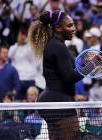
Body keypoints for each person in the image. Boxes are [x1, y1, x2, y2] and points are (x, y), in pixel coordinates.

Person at [28, 10, 83, 140]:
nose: (74, 29)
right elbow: (70, 77)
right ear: (58, 28)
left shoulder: (56, 45)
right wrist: (89, 68)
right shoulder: (58, 47)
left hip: (51, 102)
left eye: (73, 24)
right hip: (59, 103)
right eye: (69, 25)